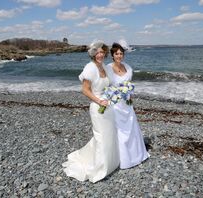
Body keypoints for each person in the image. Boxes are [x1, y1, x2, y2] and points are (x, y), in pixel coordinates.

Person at [62, 41, 119, 183]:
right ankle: (99, 167)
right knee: (100, 136)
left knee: (110, 134)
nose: (100, 55)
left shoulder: (105, 67)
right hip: (97, 107)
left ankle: (111, 163)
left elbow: (110, 85)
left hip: (108, 106)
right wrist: (99, 101)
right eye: (97, 52)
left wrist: (114, 94)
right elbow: (85, 90)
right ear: (93, 54)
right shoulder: (90, 68)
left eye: (102, 52)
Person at [105, 42, 150, 169]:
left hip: (127, 104)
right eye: (116, 54)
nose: (119, 56)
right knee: (119, 130)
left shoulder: (128, 68)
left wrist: (130, 95)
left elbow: (129, 86)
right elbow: (105, 86)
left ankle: (135, 155)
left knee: (130, 128)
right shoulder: (108, 68)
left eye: (121, 53)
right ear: (112, 55)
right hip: (115, 105)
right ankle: (121, 159)